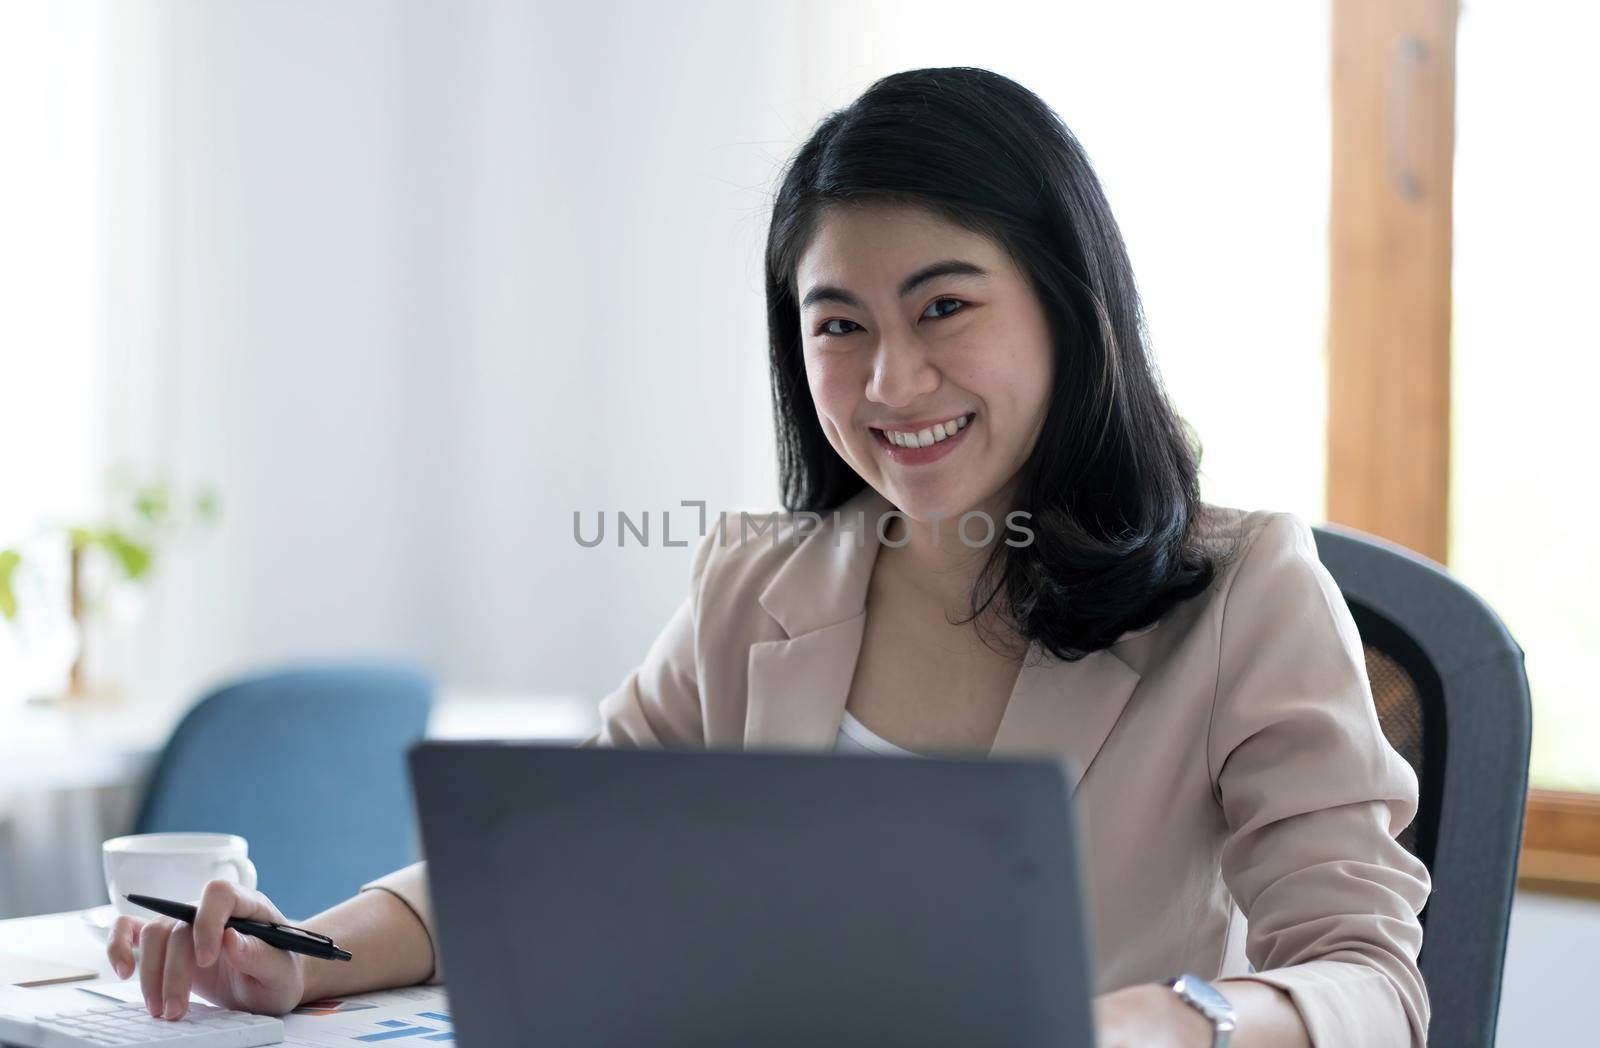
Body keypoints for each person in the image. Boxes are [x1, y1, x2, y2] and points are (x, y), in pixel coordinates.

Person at [106, 66, 1430, 1047]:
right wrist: (303, 956)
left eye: (945, 308)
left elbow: (1373, 982)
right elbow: (550, 871)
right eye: (838, 324)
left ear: (1069, 308)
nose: (891, 377)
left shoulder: (1245, 588)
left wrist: (1159, 1023)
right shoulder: (757, 587)